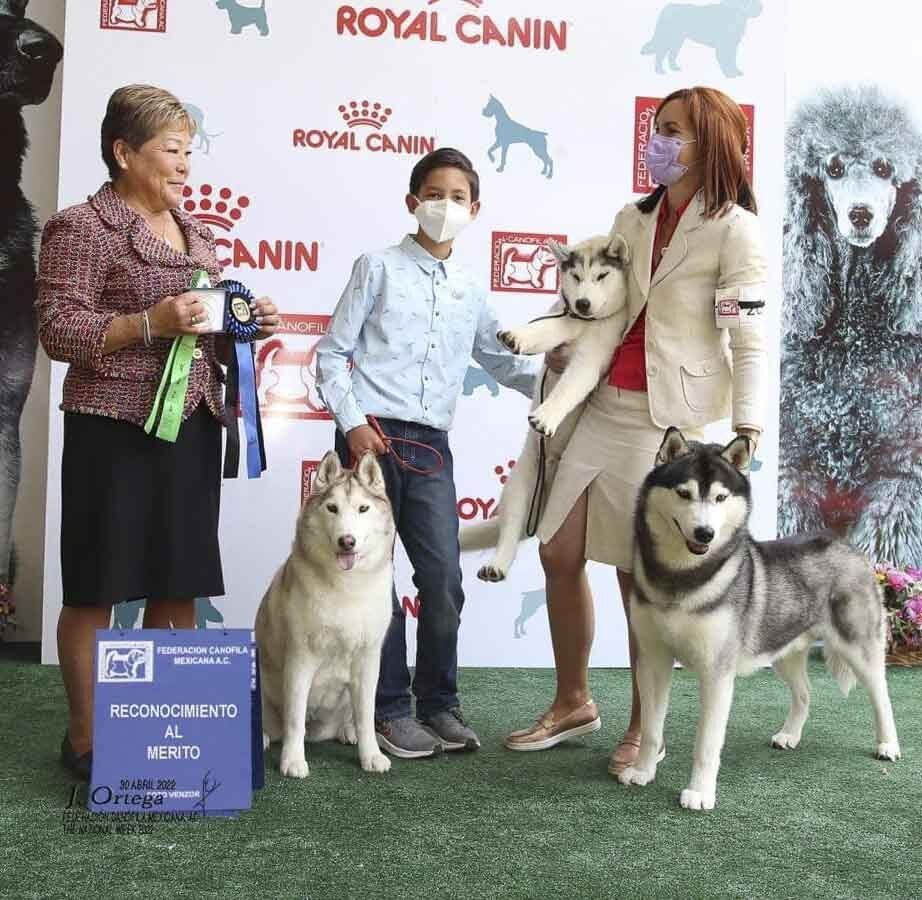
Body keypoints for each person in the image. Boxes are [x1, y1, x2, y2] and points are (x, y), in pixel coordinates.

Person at [504, 86, 767, 773]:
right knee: (557, 551)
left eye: (674, 131)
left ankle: (644, 729)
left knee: (636, 576)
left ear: (710, 142)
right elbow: (598, 296)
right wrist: (561, 339)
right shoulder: (632, 216)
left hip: (666, 421)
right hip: (599, 403)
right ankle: (572, 701)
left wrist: (748, 422)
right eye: (658, 128)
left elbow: (749, 334)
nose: (659, 142)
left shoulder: (736, 229)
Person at [37, 84, 280, 780]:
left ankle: (155, 735)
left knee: (178, 580)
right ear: (124, 152)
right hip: (111, 431)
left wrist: (244, 325)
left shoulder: (199, 232)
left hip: (191, 426)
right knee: (96, 586)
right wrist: (150, 323)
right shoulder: (81, 227)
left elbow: (206, 330)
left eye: (188, 152)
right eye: (171, 150)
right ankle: (86, 741)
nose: (184, 165)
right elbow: (59, 329)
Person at [315, 147, 541, 759]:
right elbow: (331, 355)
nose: (445, 206)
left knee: (443, 577)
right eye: (434, 195)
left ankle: (439, 703)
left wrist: (570, 378)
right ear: (412, 202)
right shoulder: (378, 267)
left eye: (458, 198)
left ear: (475, 209)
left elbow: (503, 362)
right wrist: (353, 425)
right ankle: (388, 709)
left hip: (431, 445)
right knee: (373, 578)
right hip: (369, 440)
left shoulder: (471, 290)